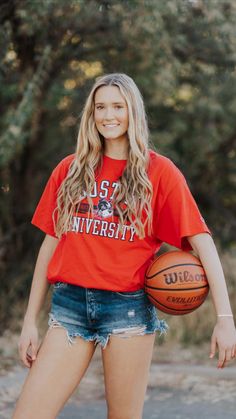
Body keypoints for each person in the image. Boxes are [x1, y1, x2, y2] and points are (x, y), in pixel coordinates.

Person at [13, 73, 236, 419]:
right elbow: (49, 246)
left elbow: (202, 242)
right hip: (69, 307)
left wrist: (225, 319)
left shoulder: (158, 172)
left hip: (126, 310)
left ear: (133, 112)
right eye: (100, 107)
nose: (108, 115)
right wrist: (30, 321)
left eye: (118, 106)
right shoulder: (70, 170)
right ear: (91, 114)